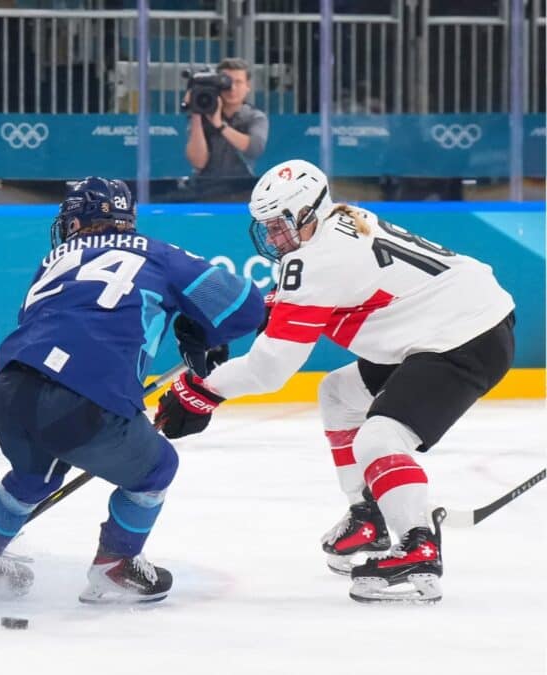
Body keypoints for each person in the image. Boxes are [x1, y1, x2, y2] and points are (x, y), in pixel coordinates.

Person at [155, 159, 516, 604]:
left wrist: (201, 391)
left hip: (461, 336)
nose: (271, 238)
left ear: (308, 211)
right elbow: (333, 292)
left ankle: (418, 546)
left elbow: (272, 367)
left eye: (280, 226)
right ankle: (371, 515)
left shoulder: (320, 257)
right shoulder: (342, 220)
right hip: (444, 321)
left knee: (379, 439)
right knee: (340, 393)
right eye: (266, 227)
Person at [0, 177, 264, 604]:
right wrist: (198, 325)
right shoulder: (158, 254)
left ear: (78, 220)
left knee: (34, 477)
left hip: (10, 388)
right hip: (83, 402)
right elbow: (247, 308)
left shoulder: (53, 259)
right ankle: (116, 567)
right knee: (157, 468)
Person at [182, 58, 269, 201]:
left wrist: (220, 125)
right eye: (227, 82)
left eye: (238, 82)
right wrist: (196, 113)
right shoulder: (202, 116)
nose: (232, 88)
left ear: (248, 86)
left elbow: (254, 149)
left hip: (244, 192)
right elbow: (198, 162)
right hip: (205, 192)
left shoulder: (255, 117)